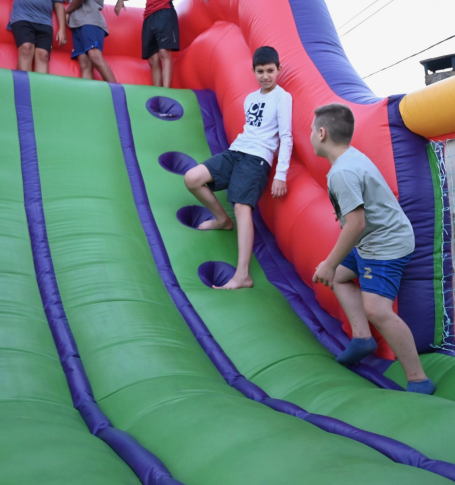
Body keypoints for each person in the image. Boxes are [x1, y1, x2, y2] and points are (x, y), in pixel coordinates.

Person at [309, 103, 434, 395]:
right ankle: (363, 338)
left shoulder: (343, 171)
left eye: (312, 130)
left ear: (322, 133)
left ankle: (418, 378)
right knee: (341, 276)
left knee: (377, 309)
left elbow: (356, 224)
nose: (311, 135)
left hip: (385, 244)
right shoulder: (351, 158)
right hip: (372, 237)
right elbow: (360, 209)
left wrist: (327, 262)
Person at [183, 46, 291, 289]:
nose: (265, 76)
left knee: (242, 206)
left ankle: (243, 275)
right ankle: (222, 219)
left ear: (278, 70)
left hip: (258, 158)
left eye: (270, 71)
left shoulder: (283, 97)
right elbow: (249, 131)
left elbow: (286, 137)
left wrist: (280, 174)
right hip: (236, 152)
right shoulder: (250, 98)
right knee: (192, 178)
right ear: (253, 71)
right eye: (260, 71)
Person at [63, 0, 116, 83]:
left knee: (94, 56)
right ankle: (89, 93)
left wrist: (67, 11)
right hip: (80, 24)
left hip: (89, 22)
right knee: (84, 62)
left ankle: (116, 90)